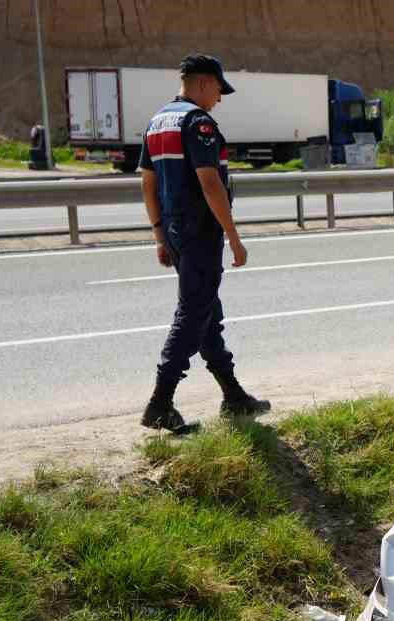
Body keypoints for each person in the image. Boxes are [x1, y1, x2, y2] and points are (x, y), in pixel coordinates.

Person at [137, 53, 269, 433]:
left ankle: (233, 396)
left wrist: (160, 234)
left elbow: (147, 184)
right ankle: (160, 404)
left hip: (177, 231)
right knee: (193, 314)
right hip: (199, 231)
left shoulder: (157, 121)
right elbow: (209, 182)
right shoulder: (198, 122)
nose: (219, 99)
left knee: (207, 313)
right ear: (204, 83)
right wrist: (234, 236)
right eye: (218, 90)